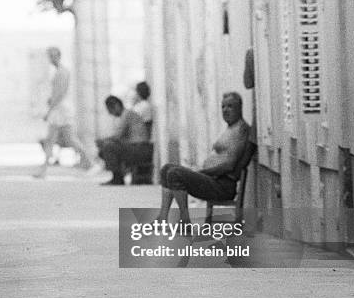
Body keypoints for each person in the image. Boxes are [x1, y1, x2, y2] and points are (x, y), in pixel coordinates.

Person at [157, 92, 250, 224]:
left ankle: (185, 220)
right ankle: (162, 217)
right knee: (166, 169)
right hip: (213, 180)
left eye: (230, 106)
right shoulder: (231, 128)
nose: (225, 110)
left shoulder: (241, 129)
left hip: (222, 186)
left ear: (240, 108)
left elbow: (229, 165)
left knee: (174, 174)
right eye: (223, 107)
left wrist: (201, 172)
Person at [35, 47, 93, 178]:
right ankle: (43, 169)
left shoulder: (62, 72)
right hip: (59, 109)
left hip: (61, 110)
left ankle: (89, 162)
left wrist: (49, 111)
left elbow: (60, 93)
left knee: (69, 139)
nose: (50, 59)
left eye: (51, 56)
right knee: (52, 139)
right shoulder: (59, 72)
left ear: (57, 56)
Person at [96, 95, 152, 185]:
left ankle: (117, 178)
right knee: (106, 147)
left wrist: (102, 141)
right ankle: (118, 176)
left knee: (108, 146)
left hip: (141, 149)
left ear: (117, 105)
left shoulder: (127, 114)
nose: (110, 114)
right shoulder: (127, 114)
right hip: (137, 148)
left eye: (110, 110)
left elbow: (118, 136)